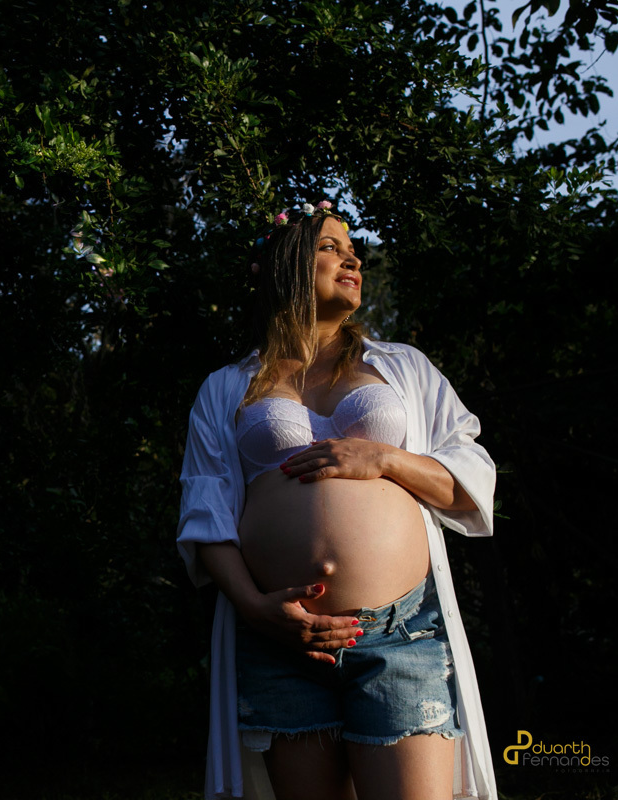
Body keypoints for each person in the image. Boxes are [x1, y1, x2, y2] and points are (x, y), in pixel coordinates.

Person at [176, 202, 498, 800]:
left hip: (400, 636)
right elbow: (205, 514)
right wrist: (256, 609)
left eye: (352, 249)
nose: (351, 257)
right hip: (281, 641)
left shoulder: (403, 368)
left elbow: (471, 479)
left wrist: (386, 459)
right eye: (329, 246)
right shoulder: (226, 387)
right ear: (283, 264)